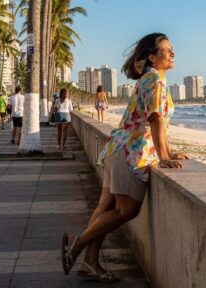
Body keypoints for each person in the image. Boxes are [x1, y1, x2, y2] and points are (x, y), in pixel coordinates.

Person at [61, 33, 187, 281]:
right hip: (131, 154)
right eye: (166, 50)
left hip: (118, 149)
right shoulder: (155, 82)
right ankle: (77, 243)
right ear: (152, 56)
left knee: (104, 208)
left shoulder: (148, 79)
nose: (172, 53)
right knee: (125, 211)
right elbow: (155, 119)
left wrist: (169, 152)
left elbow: (158, 122)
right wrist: (164, 156)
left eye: (172, 49)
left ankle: (90, 262)